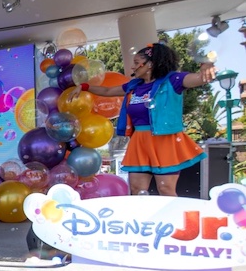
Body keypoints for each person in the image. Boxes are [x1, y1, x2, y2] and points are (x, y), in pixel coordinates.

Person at [70, 42, 215, 196]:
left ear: (150, 64)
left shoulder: (173, 80)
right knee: (136, 190)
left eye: (137, 63)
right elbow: (107, 91)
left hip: (164, 140)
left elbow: (200, 78)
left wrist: (206, 67)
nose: (133, 67)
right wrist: (84, 87)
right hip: (139, 141)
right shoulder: (134, 86)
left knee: (166, 189)